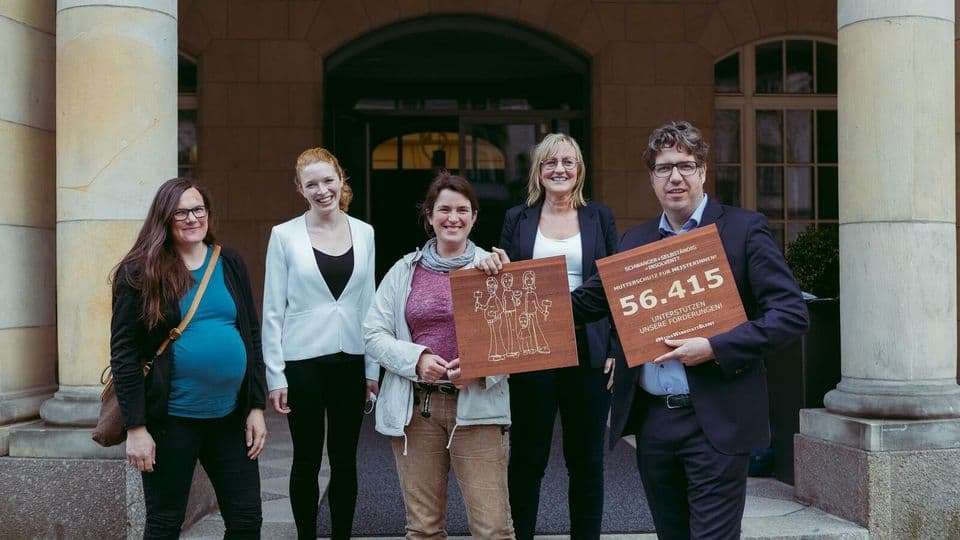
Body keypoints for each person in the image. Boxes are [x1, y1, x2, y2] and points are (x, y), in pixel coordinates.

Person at [570, 121, 809, 539]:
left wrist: (714, 346)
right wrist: (504, 287)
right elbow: (587, 302)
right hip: (654, 424)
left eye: (685, 165)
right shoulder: (635, 242)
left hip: (717, 421)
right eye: (664, 168)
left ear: (703, 171)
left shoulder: (743, 229)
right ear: (652, 177)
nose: (675, 177)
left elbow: (791, 314)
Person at [110, 177, 266, 539]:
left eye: (198, 209)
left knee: (246, 521)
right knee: (165, 524)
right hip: (171, 420)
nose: (192, 218)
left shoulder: (228, 261)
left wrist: (256, 406)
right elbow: (124, 353)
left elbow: (251, 336)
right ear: (164, 217)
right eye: (181, 212)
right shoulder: (139, 271)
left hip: (230, 417)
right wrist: (136, 428)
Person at [481, 133, 618, 540]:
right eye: (550, 162)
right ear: (538, 171)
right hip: (532, 349)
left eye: (568, 162)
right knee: (527, 458)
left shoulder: (600, 217)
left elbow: (614, 282)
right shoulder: (517, 218)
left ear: (579, 169)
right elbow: (504, 282)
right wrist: (492, 265)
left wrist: (616, 346)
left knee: (586, 462)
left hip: (589, 349)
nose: (560, 169)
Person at [364, 172, 515, 539]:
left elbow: (518, 339)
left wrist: (479, 368)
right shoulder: (404, 271)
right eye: (444, 209)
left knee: (492, 528)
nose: (453, 218)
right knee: (423, 528)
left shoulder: (494, 269)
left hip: (478, 407)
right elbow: (373, 334)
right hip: (418, 410)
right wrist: (417, 359)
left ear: (474, 217)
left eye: (462, 210)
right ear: (429, 215)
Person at [261, 147, 378, 540]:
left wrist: (372, 369)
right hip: (302, 363)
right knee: (307, 459)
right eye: (312, 184)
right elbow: (273, 310)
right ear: (300, 188)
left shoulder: (365, 232)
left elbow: (369, 304)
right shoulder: (283, 235)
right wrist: (276, 376)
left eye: (328, 180)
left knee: (345, 460)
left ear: (341, 179)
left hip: (351, 359)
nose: (322, 190)